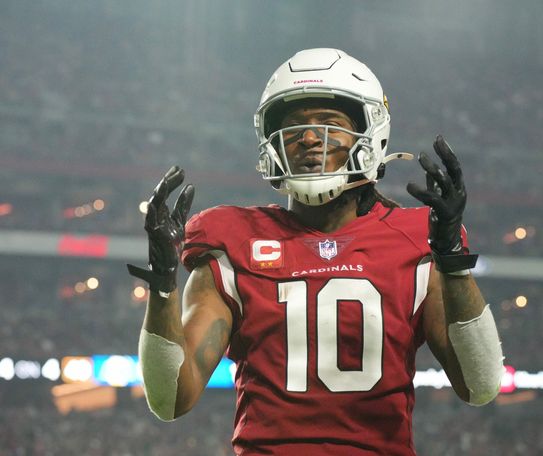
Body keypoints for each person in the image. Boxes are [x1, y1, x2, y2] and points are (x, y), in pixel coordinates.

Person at [127, 48, 504, 456]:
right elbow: (169, 401)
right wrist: (163, 286)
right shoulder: (233, 242)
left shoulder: (414, 241)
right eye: (293, 127)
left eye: (329, 124)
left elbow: (480, 385)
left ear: (370, 133)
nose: (308, 138)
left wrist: (451, 261)